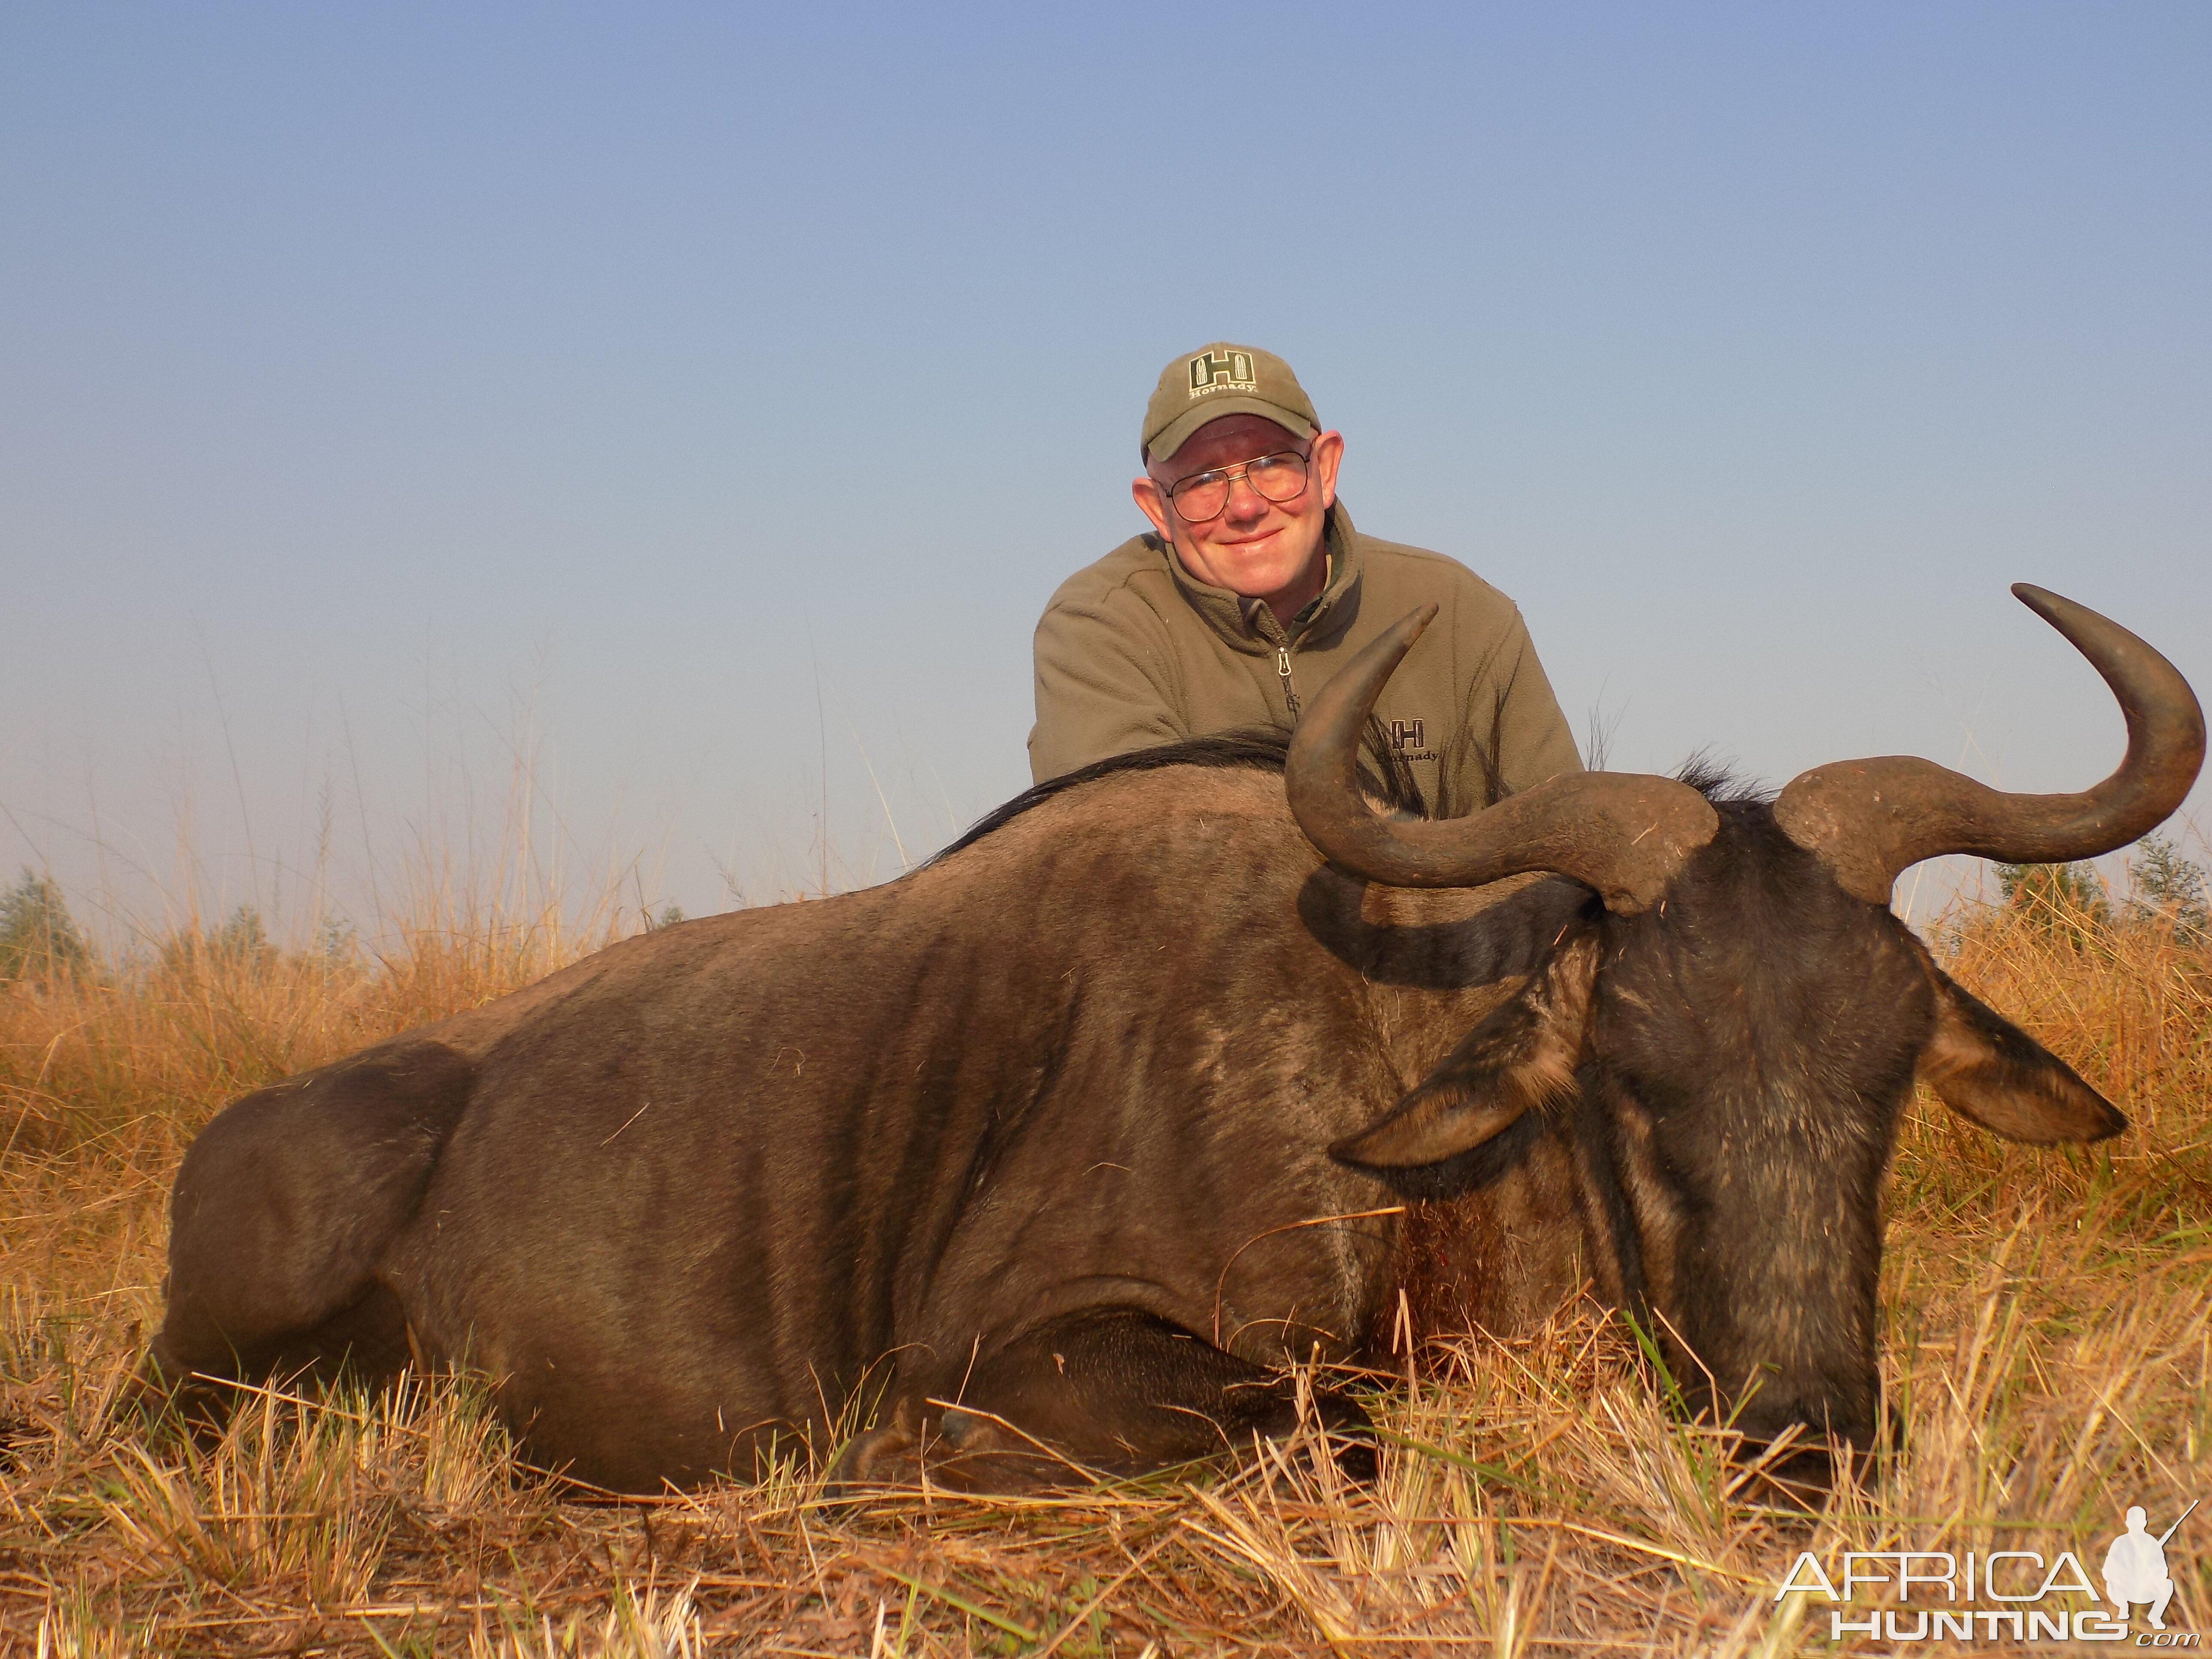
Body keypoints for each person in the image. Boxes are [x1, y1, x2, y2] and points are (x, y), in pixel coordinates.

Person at [1028, 342, 1582, 815]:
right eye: (1202, 480)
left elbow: (1564, 843)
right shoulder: (1098, 628)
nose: (1244, 506)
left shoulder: (1463, 615)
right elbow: (1137, 855)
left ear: (1326, 469)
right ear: (1156, 510)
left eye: (1272, 463)